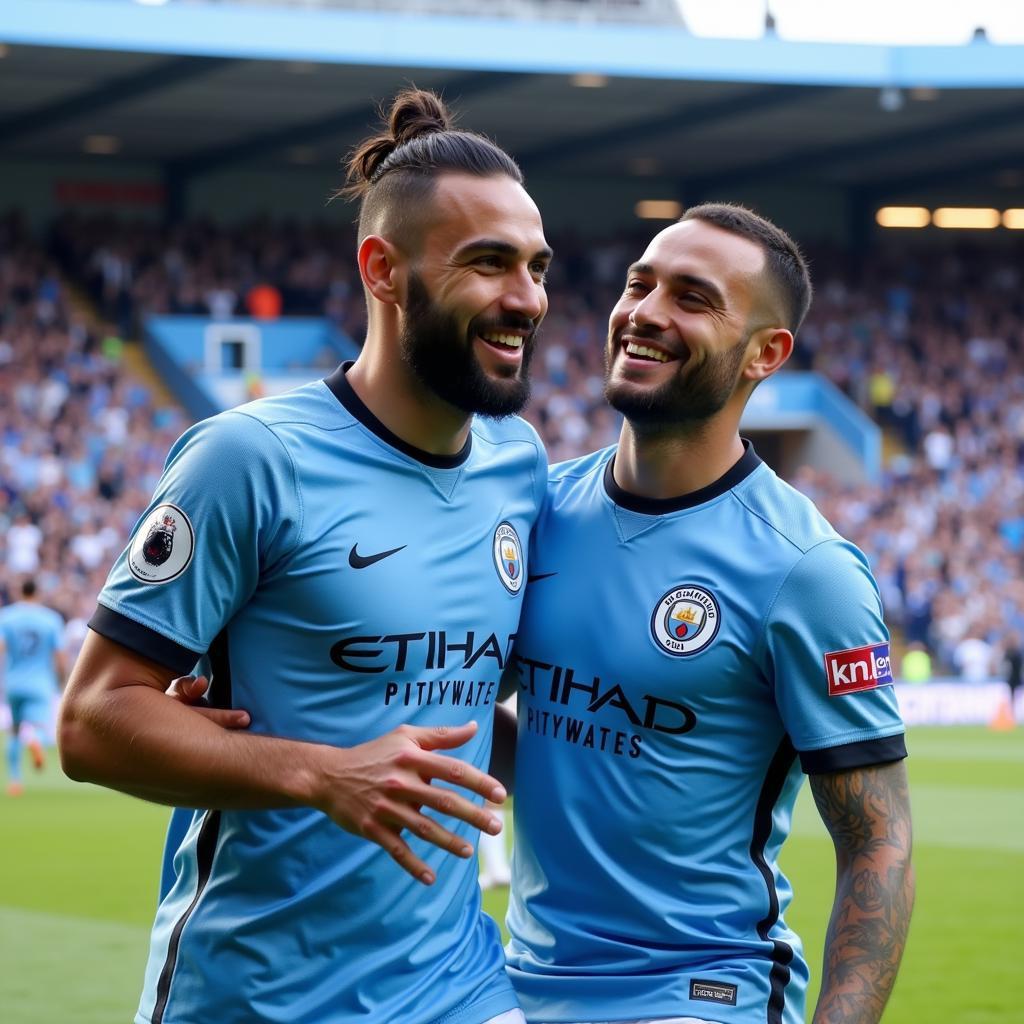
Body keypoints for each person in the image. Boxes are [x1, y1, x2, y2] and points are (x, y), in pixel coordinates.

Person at [58, 88, 552, 1024]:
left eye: (535, 267)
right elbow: (90, 722)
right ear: (383, 270)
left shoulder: (518, 465)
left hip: (461, 990)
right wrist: (323, 772)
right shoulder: (249, 460)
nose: (525, 298)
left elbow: (472, 703)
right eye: (487, 264)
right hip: (259, 997)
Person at [502, 205, 914, 1024]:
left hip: (700, 993)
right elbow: (522, 726)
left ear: (767, 353)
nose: (646, 312)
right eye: (639, 283)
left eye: (693, 298)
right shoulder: (538, 509)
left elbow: (879, 841)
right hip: (519, 985)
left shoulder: (806, 571)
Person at [0, 578, 67, 795]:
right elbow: (59, 656)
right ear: (38, 593)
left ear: (20, 591)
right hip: (40, 682)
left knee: (14, 731)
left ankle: (15, 781)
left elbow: (1, 648)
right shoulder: (50, 619)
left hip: (14, 681)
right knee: (38, 726)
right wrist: (61, 679)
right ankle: (35, 741)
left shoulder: (7, 616)